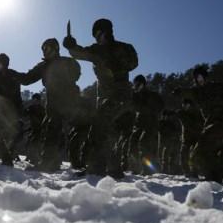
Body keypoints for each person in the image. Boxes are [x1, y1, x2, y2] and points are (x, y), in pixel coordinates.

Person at [63, 19, 138, 177]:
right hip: (103, 99)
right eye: (95, 35)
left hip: (120, 96)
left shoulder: (124, 48)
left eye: (98, 34)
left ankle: (96, 169)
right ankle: (114, 170)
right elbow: (79, 53)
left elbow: (133, 63)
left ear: (106, 32)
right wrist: (70, 45)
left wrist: (114, 63)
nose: (97, 38)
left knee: (99, 128)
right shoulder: (96, 50)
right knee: (107, 132)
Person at [18, 38, 81, 171]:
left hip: (71, 102)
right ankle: (50, 162)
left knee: (79, 130)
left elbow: (76, 73)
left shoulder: (67, 62)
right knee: (50, 131)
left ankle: (81, 162)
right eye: (43, 49)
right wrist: (12, 75)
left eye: (47, 48)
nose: (44, 51)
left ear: (55, 49)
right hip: (53, 105)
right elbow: (27, 79)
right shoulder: (43, 66)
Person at [180, 66, 223, 182]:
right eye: (197, 78)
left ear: (205, 77)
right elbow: (191, 92)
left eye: (201, 77)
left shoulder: (214, 88)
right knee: (207, 153)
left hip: (220, 124)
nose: (199, 80)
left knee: (198, 153)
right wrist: (180, 92)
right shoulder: (199, 92)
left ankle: (213, 178)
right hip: (212, 125)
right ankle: (214, 178)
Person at [128, 74, 164, 175]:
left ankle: (147, 169)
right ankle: (135, 168)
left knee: (144, 144)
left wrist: (150, 110)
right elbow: (132, 107)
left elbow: (161, 106)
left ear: (143, 84)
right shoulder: (134, 95)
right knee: (133, 143)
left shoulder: (153, 95)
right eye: (135, 84)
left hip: (151, 124)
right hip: (139, 124)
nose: (136, 86)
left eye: (138, 84)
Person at [175, 97, 204, 177]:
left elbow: (199, 123)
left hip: (195, 137)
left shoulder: (196, 113)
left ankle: (194, 172)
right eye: (183, 105)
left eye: (186, 105)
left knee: (193, 155)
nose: (184, 106)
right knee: (184, 155)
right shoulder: (183, 113)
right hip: (187, 138)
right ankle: (188, 172)